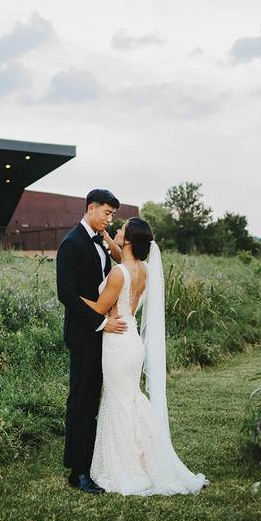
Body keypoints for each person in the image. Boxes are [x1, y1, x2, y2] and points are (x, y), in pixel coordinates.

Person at [80, 217, 208, 496]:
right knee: (131, 398)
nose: (117, 229)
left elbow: (100, 308)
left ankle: (124, 466)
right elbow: (119, 252)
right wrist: (105, 236)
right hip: (133, 340)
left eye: (122, 229)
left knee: (117, 400)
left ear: (128, 239)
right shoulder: (145, 270)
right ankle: (145, 460)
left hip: (117, 342)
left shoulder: (118, 274)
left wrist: (72, 296)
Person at [55, 189, 126, 494]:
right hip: (84, 334)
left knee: (93, 397)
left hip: (101, 333)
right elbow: (66, 293)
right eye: (106, 213)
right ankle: (78, 470)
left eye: (113, 215)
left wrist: (109, 241)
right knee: (81, 400)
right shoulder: (71, 243)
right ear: (90, 208)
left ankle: (92, 460)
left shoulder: (99, 242)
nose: (109, 219)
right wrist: (100, 322)